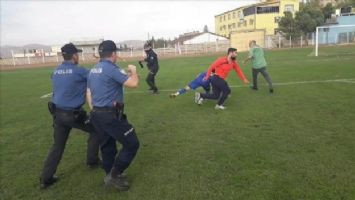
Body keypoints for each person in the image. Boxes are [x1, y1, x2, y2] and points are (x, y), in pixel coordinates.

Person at [40, 43, 100, 189]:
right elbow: (97, 75)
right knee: (97, 129)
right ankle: (92, 161)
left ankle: (45, 179)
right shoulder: (79, 71)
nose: (78, 56)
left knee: (57, 146)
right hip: (73, 114)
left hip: (57, 114)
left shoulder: (56, 70)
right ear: (74, 56)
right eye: (77, 54)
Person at [87, 40, 140, 191]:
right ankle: (114, 175)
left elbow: (89, 91)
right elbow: (134, 84)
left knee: (107, 146)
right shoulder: (111, 68)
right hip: (109, 115)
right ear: (114, 54)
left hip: (97, 113)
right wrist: (133, 70)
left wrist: (94, 110)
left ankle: (110, 174)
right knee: (132, 143)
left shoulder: (94, 69)